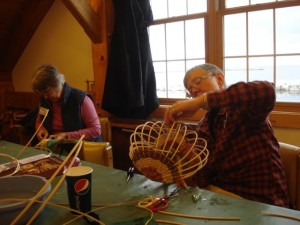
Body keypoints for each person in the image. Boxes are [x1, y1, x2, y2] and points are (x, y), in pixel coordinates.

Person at [164, 63, 289, 208]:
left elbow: (267, 90)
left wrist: (200, 101)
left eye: (197, 82)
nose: (193, 90)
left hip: (261, 201)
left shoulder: (244, 106)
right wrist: (184, 148)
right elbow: (203, 178)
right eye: (190, 91)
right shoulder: (204, 126)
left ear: (219, 79)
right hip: (221, 200)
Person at [32, 64, 102, 142]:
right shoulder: (46, 99)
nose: (45, 97)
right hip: (54, 146)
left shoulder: (80, 99)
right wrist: (41, 128)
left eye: (47, 92)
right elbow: (39, 120)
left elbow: (96, 130)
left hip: (80, 147)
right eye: (42, 94)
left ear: (57, 83)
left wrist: (66, 135)